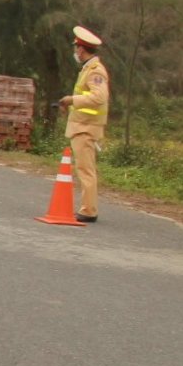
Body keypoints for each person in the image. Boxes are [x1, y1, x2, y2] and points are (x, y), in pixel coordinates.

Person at [59, 24, 108, 223]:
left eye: (76, 49)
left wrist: (72, 100)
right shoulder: (87, 70)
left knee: (86, 170)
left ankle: (89, 210)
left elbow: (99, 97)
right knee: (84, 169)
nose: (75, 52)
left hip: (87, 128)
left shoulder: (95, 72)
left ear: (81, 49)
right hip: (82, 126)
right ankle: (88, 208)